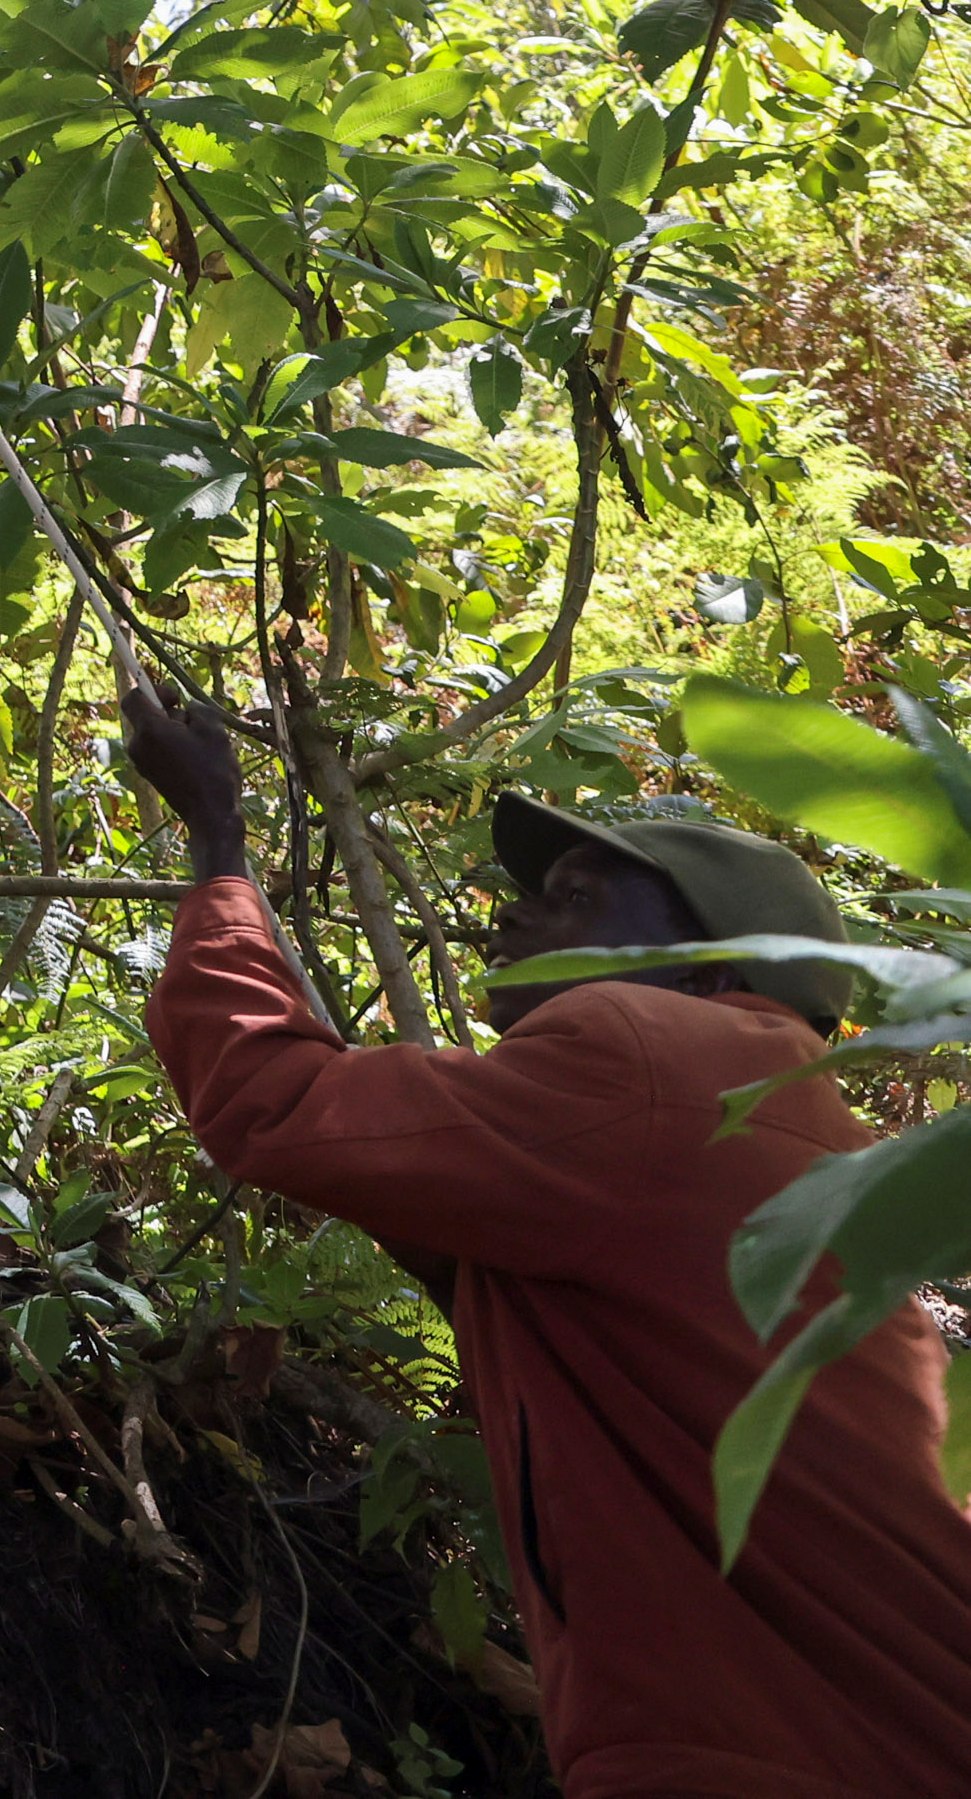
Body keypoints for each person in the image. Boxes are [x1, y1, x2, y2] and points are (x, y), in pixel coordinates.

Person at [115, 669, 971, 1796]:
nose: (505, 911)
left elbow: (271, 1104)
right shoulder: (788, 1119)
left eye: (573, 899)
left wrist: (218, 843)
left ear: (705, 965)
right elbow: (410, 1191)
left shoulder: (653, 1054)